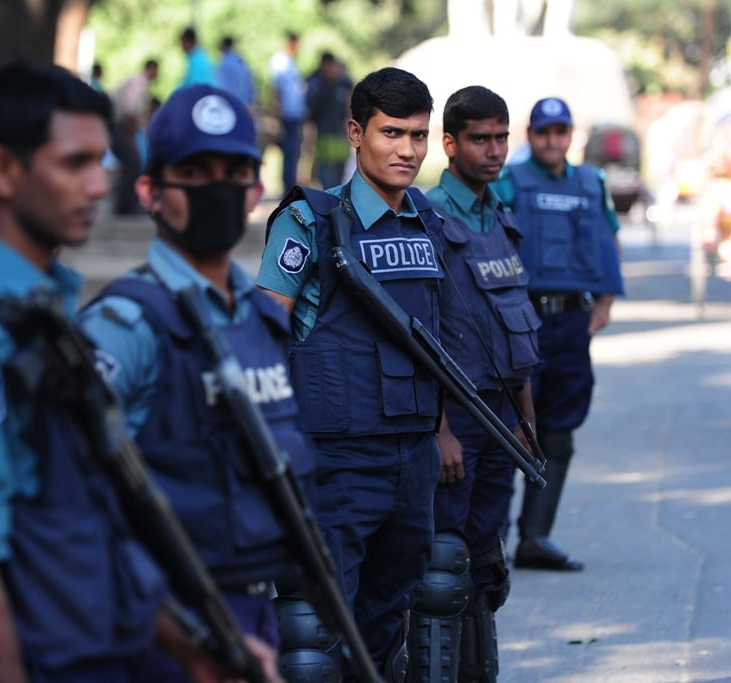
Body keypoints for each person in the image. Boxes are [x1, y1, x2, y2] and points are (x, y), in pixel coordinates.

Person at [0, 61, 277, 683]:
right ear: (6, 171)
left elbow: (95, 531)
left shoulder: (42, 314)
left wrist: (197, 650)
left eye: (101, 162)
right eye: (75, 163)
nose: (98, 185)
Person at [77, 83, 317, 680]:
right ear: (150, 193)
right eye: (195, 171)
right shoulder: (124, 325)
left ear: (257, 191)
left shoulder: (260, 317)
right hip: (158, 623)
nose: (217, 187)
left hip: (256, 609)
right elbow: (70, 505)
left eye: (234, 170)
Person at [257, 67, 443, 679]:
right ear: (356, 133)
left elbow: (436, 343)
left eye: (418, 136)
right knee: (317, 629)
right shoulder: (309, 222)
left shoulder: (429, 224)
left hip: (411, 456)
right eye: (392, 133)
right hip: (333, 460)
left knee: (392, 617)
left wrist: (443, 432)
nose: (408, 151)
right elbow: (263, 338)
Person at [414, 85, 541, 682]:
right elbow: (420, 338)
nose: (493, 151)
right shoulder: (426, 221)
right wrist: (440, 431)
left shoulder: (503, 222)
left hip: (501, 419)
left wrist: (525, 417)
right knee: (444, 563)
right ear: (450, 143)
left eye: (500, 138)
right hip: (455, 419)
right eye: (480, 139)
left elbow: (515, 331)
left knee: (487, 559)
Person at [492, 96, 625, 572]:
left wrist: (605, 302)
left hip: (572, 321)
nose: (552, 140)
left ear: (571, 136)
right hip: (522, 319)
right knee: (509, 431)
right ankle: (490, 538)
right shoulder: (511, 183)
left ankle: (536, 536)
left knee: (560, 432)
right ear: (531, 137)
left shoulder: (591, 182)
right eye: (543, 132)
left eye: (560, 131)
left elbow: (609, 239)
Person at [112, 58, 159, 215]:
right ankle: (127, 206)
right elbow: (130, 113)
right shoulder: (139, 83)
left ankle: (127, 204)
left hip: (122, 127)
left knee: (131, 164)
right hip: (121, 128)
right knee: (133, 163)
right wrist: (131, 139)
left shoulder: (140, 83)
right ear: (152, 69)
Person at [306, 52, 353, 189]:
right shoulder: (317, 87)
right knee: (326, 177)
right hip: (324, 139)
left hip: (341, 139)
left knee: (339, 176)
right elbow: (311, 117)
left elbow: (350, 107)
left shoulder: (344, 84)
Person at [268, 32, 307, 192]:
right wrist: (276, 111)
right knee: (289, 149)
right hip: (287, 113)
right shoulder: (281, 61)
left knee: (293, 150)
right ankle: (286, 185)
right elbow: (275, 88)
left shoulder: (291, 62)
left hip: (295, 113)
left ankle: (289, 182)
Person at [217, 36, 256, 111]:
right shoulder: (242, 62)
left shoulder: (224, 64)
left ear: (224, 46)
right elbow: (251, 86)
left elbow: (222, 87)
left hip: (231, 107)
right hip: (245, 106)